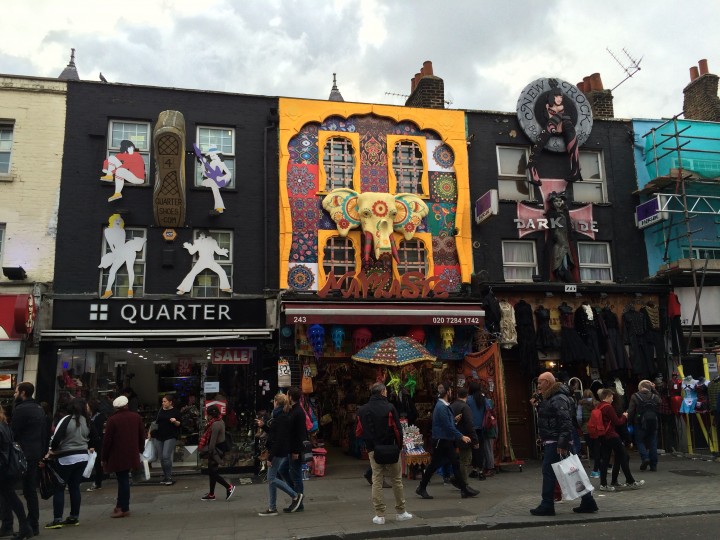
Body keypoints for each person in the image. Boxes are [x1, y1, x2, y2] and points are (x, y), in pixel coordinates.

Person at [529, 371, 598, 516]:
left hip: (557, 443)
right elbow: (550, 419)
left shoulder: (558, 398)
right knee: (572, 471)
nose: (538, 386)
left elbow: (565, 423)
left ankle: (547, 504)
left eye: (540, 382)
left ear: (547, 382)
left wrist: (561, 443)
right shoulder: (552, 398)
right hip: (557, 440)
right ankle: (588, 501)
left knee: (549, 472)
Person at [356, 383, 412, 525]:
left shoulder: (362, 410)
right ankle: (401, 511)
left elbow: (359, 431)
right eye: (386, 390)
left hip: (373, 449)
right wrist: (399, 447)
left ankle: (380, 515)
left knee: (377, 480)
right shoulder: (390, 407)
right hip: (391, 447)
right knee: (396, 480)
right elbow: (398, 430)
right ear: (382, 392)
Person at [416, 384, 476, 500]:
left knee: (454, 463)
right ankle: (422, 487)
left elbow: (447, 423)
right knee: (438, 465)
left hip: (445, 440)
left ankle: (464, 489)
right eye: (450, 390)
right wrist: (461, 436)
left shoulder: (442, 406)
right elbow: (447, 426)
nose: (451, 392)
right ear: (447, 392)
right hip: (442, 440)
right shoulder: (441, 407)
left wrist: (454, 420)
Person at [45, 397, 97, 529]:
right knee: (74, 487)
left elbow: (56, 438)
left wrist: (52, 450)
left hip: (66, 457)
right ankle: (74, 516)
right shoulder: (87, 421)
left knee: (59, 487)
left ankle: (57, 519)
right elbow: (95, 438)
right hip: (82, 457)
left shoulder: (67, 419)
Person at [256, 393, 303, 516]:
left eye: (274, 402)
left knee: (271, 478)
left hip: (278, 452)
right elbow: (275, 432)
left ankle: (295, 495)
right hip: (279, 451)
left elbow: (279, 439)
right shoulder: (281, 416)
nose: (273, 403)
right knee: (271, 479)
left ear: (277, 403)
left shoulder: (281, 417)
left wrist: (271, 456)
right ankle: (272, 508)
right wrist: (264, 427)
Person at [526, 85, 582, 186]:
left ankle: (576, 168)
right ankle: (531, 166)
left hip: (560, 127)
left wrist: (558, 117)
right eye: (557, 97)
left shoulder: (563, 108)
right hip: (550, 128)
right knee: (556, 121)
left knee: (566, 123)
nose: (559, 99)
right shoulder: (548, 107)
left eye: (561, 97)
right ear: (552, 97)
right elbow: (549, 118)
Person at [10, 382, 47, 536]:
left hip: (22, 454)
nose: (14, 394)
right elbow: (44, 433)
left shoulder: (20, 409)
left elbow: (14, 432)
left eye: (16, 391)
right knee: (30, 490)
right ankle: (34, 523)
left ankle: (20, 524)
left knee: (9, 490)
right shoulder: (39, 409)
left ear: (23, 393)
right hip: (35, 453)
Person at [101, 395, 145, 518]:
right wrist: (140, 450)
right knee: (123, 480)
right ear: (126, 405)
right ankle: (120, 505)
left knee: (123, 480)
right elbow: (142, 435)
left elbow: (107, 441)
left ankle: (123, 507)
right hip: (132, 453)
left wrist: (104, 457)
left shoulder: (112, 420)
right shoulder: (136, 417)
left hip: (118, 455)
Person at [595, 388, 645, 491]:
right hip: (612, 435)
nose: (612, 400)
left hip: (602, 436)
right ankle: (630, 481)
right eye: (611, 397)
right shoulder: (608, 407)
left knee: (605, 459)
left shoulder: (599, 406)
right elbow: (617, 422)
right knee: (623, 456)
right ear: (607, 397)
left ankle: (603, 484)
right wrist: (624, 416)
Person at [0, 405, 33, 539]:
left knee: (10, 497)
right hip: (8, 466)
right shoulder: (4, 424)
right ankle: (23, 526)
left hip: (3, 467)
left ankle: (23, 527)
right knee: (10, 497)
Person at [277, 386, 307, 513]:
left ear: (290, 397)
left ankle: (298, 501)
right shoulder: (293, 410)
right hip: (291, 449)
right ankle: (295, 495)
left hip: (295, 450)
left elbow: (300, 434)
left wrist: (296, 451)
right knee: (283, 470)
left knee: (296, 475)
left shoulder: (298, 412)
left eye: (287, 395)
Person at [176, 230, 232, 295]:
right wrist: (188, 246)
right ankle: (183, 289)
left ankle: (225, 287)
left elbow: (218, 251)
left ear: (206, 234)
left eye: (202, 234)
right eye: (200, 234)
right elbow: (192, 252)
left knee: (222, 272)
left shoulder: (212, 241)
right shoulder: (198, 242)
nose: (201, 235)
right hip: (202, 261)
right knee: (192, 274)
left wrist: (223, 252)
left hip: (211, 261)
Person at [198, 405, 235, 501]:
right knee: (212, 472)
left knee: (213, 473)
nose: (206, 416)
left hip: (216, 450)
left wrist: (208, 453)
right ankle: (211, 494)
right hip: (218, 449)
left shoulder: (215, 425)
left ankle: (229, 487)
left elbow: (212, 443)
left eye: (207, 414)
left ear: (211, 415)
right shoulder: (220, 421)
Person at [450, 387, 480, 495]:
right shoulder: (465, 407)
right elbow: (469, 424)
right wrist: (475, 440)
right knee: (465, 460)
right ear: (466, 396)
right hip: (464, 437)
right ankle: (464, 485)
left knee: (463, 459)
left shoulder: (452, 405)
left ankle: (457, 479)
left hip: (454, 437)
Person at [627, 380, 661, 472]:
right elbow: (660, 402)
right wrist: (654, 390)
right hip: (654, 423)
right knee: (653, 443)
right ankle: (653, 465)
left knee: (639, 441)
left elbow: (631, 411)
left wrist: (629, 422)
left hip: (639, 423)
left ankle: (645, 458)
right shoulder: (654, 396)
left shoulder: (635, 396)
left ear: (640, 387)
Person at [151, 394, 181, 485]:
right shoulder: (160, 411)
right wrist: (149, 433)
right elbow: (154, 422)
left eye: (165, 401)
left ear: (170, 402)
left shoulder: (175, 411)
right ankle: (165, 476)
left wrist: (174, 421)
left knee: (166, 456)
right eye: (162, 401)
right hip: (158, 436)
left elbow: (179, 424)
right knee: (161, 458)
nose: (163, 403)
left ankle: (169, 476)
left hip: (170, 436)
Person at [545, 191, 575, 283]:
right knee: (559, 253)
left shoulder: (565, 212)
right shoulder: (551, 212)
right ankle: (560, 270)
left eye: (560, 201)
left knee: (566, 253)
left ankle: (565, 271)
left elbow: (569, 225)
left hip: (564, 236)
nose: (558, 202)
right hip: (558, 235)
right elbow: (551, 224)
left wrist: (570, 234)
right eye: (556, 201)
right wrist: (554, 234)